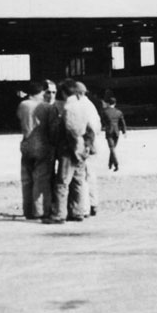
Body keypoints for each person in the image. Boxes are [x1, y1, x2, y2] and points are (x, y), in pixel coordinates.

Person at [45, 79, 101, 223]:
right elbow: (91, 129)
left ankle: (59, 214)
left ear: (63, 93)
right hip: (82, 149)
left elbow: (70, 130)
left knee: (62, 183)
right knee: (78, 181)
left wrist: (70, 146)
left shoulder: (68, 108)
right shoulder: (83, 106)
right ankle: (78, 212)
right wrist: (86, 146)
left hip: (69, 149)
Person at [16, 80, 57, 219]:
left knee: (27, 179)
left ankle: (27, 210)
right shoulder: (46, 107)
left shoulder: (22, 105)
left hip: (26, 143)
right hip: (42, 144)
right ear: (41, 91)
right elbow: (52, 126)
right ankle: (39, 211)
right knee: (41, 180)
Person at [100, 95, 127, 171]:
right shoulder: (119, 112)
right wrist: (124, 131)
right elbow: (122, 123)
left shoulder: (105, 112)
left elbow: (102, 122)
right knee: (113, 148)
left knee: (112, 148)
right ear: (115, 103)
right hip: (116, 132)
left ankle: (116, 164)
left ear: (108, 103)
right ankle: (110, 164)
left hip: (109, 131)